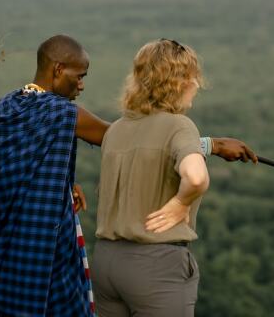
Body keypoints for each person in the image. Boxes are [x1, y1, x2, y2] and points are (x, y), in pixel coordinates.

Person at [0, 35, 256, 316]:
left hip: (34, 250)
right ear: (58, 70)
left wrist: (63, 184)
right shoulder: (60, 112)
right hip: (61, 250)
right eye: (79, 76)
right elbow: (124, 139)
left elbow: (1, 169)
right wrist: (210, 146)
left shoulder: (6, 107)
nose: (81, 85)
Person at [92, 38, 242, 316]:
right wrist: (181, 204)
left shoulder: (116, 129)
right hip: (154, 266)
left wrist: (213, 145)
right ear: (178, 82)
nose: (197, 84)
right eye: (192, 77)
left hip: (106, 263)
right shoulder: (180, 126)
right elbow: (196, 178)